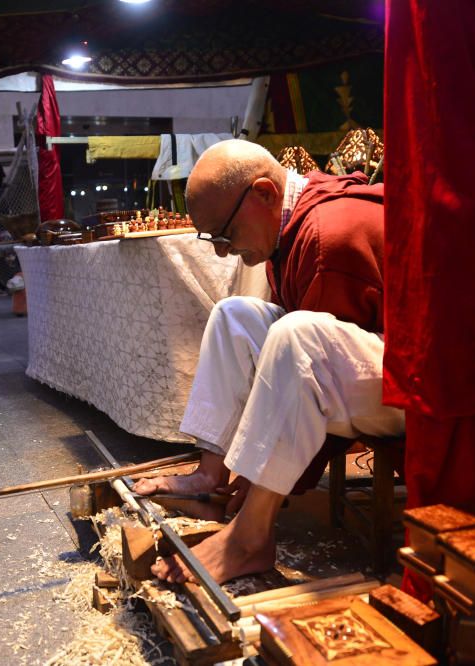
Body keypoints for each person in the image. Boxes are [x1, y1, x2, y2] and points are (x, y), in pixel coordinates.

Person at [133, 140, 405, 584]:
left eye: (226, 234)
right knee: (235, 315)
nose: (223, 252)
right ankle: (211, 474)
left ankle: (250, 540)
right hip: (363, 367)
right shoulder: (297, 219)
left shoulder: (326, 237)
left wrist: (263, 483)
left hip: (415, 386)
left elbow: (313, 379)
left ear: (263, 193)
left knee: (296, 336)